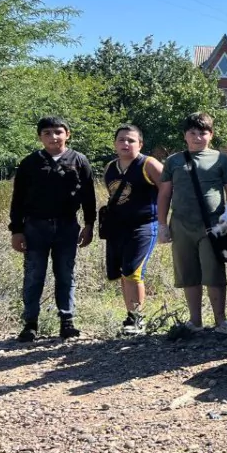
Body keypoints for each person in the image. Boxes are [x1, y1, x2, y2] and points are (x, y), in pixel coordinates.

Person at [8, 116, 96, 342]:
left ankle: (67, 322)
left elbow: (89, 196)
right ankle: (30, 324)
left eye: (58, 132)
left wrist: (89, 225)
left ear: (68, 134)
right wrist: (16, 230)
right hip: (35, 227)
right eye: (47, 133)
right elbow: (17, 200)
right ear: (40, 136)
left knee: (66, 274)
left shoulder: (79, 160)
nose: (53, 137)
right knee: (34, 275)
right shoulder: (30, 163)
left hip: (67, 226)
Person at [156, 112, 227, 333]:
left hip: (212, 226)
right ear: (185, 135)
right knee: (188, 273)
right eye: (192, 133)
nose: (197, 137)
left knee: (214, 273)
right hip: (182, 225)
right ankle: (195, 322)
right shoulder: (174, 161)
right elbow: (164, 194)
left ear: (210, 135)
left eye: (202, 133)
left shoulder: (220, 158)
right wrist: (162, 226)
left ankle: (220, 321)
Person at [101, 124, 164, 336]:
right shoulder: (111, 167)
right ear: (115, 143)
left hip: (144, 225)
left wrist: (164, 221)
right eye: (121, 140)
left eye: (131, 140)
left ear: (140, 143)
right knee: (122, 273)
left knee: (133, 271)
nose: (125, 144)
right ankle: (130, 316)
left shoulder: (148, 164)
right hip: (118, 229)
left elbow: (168, 189)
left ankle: (138, 319)